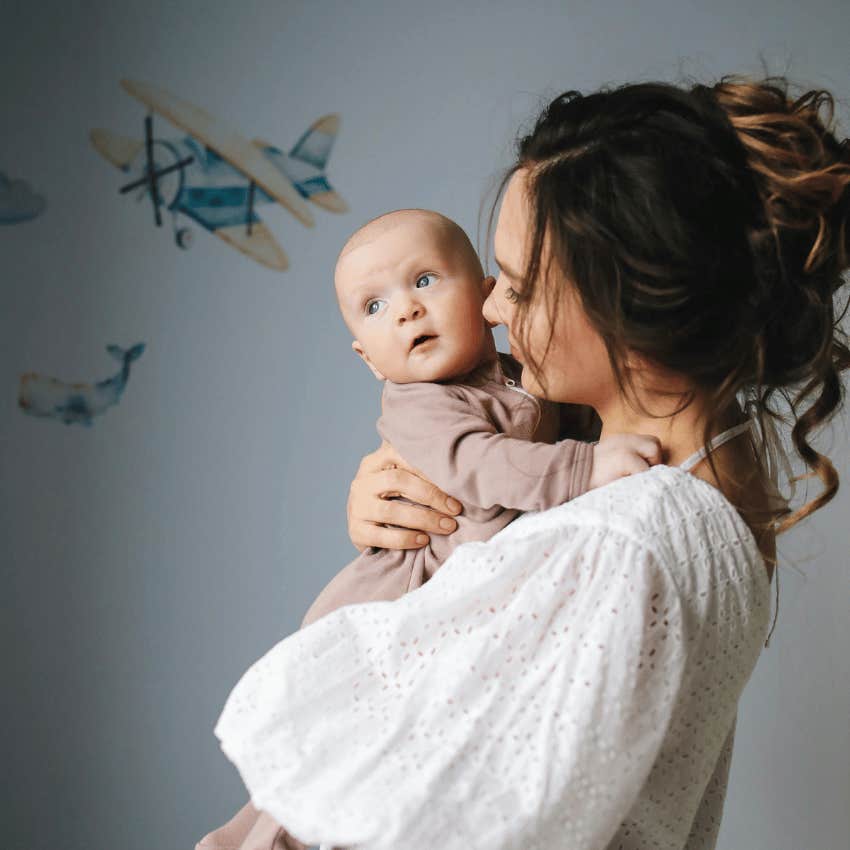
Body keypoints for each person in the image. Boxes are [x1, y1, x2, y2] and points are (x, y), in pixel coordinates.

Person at [206, 73, 850, 849]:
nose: (489, 309)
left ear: (624, 303)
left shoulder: (614, 540)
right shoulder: (713, 482)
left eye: (516, 284)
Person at [195, 208, 662, 850]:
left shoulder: (525, 377)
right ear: (367, 357)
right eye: (375, 306)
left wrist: (601, 447)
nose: (407, 312)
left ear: (484, 295)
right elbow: (485, 466)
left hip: (455, 600)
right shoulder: (419, 404)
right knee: (336, 764)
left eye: (424, 281)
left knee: (373, 775)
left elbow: (576, 436)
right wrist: (588, 464)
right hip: (398, 596)